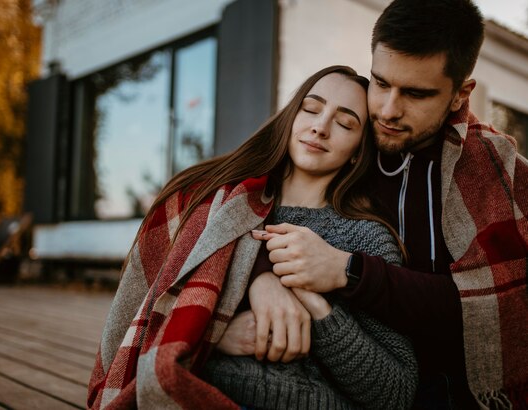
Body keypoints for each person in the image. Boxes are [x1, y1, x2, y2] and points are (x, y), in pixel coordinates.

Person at [87, 66, 418, 409]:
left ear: (357, 152)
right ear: (291, 116)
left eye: (345, 123)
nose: (321, 127)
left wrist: (316, 309)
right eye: (311, 108)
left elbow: (396, 393)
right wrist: (215, 334)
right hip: (191, 394)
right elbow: (151, 321)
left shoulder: (365, 237)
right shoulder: (216, 203)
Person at [251, 1, 528, 408]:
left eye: (416, 93)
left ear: (459, 94)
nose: (388, 110)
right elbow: (250, 204)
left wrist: (348, 270)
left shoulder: (498, 174)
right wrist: (263, 278)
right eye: (380, 83)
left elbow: (496, 311)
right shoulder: (347, 140)